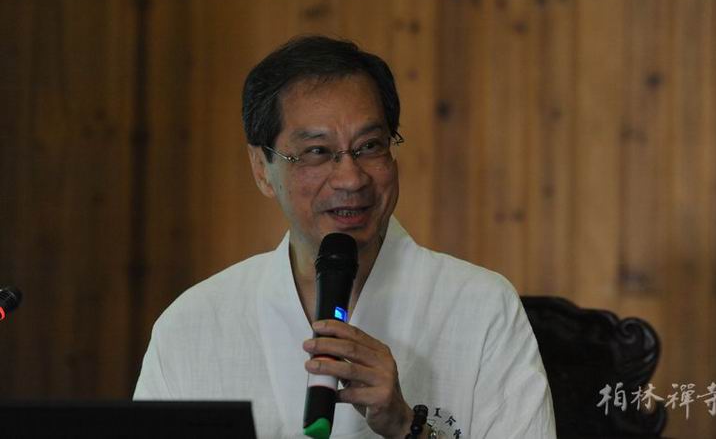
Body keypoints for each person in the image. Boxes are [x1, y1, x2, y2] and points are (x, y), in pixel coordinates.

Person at [133, 36, 556, 438]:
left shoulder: (481, 307)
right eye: (317, 152)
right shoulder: (192, 324)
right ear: (261, 168)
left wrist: (405, 426)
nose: (351, 178)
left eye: (369, 146)